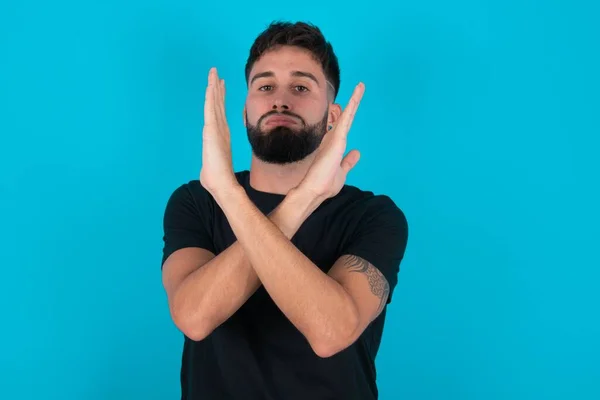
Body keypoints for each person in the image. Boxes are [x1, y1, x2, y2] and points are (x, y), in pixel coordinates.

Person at [161, 21, 409, 400]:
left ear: (332, 116)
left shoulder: (374, 216)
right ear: (244, 112)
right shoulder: (198, 201)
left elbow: (331, 332)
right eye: (265, 86)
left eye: (300, 87)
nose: (280, 100)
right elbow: (194, 318)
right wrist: (245, 194)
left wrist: (236, 193)